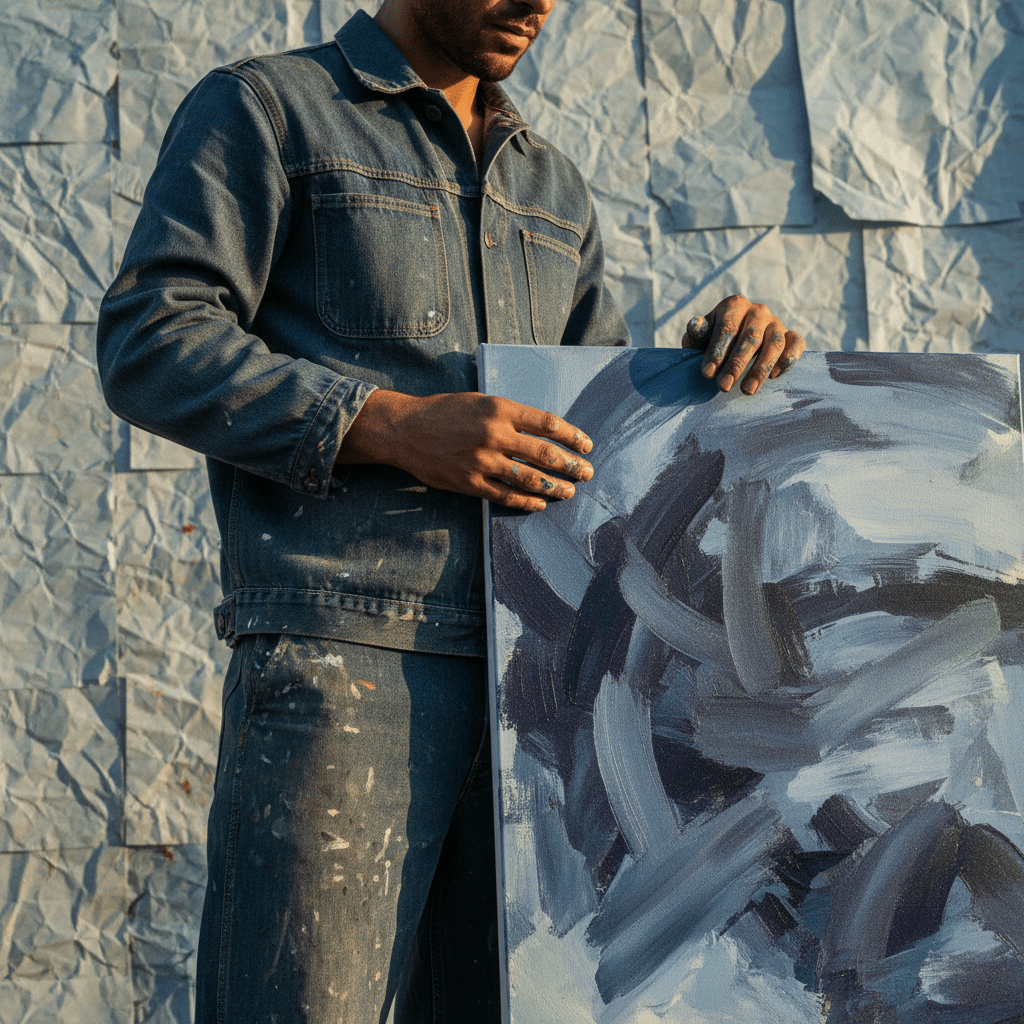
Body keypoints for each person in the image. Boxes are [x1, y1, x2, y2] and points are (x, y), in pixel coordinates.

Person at [96, 1, 806, 1020]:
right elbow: (148, 339)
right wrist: (385, 424)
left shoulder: (549, 186)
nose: (537, 3)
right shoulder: (269, 109)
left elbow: (588, 446)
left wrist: (711, 370)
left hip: (541, 690)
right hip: (346, 664)